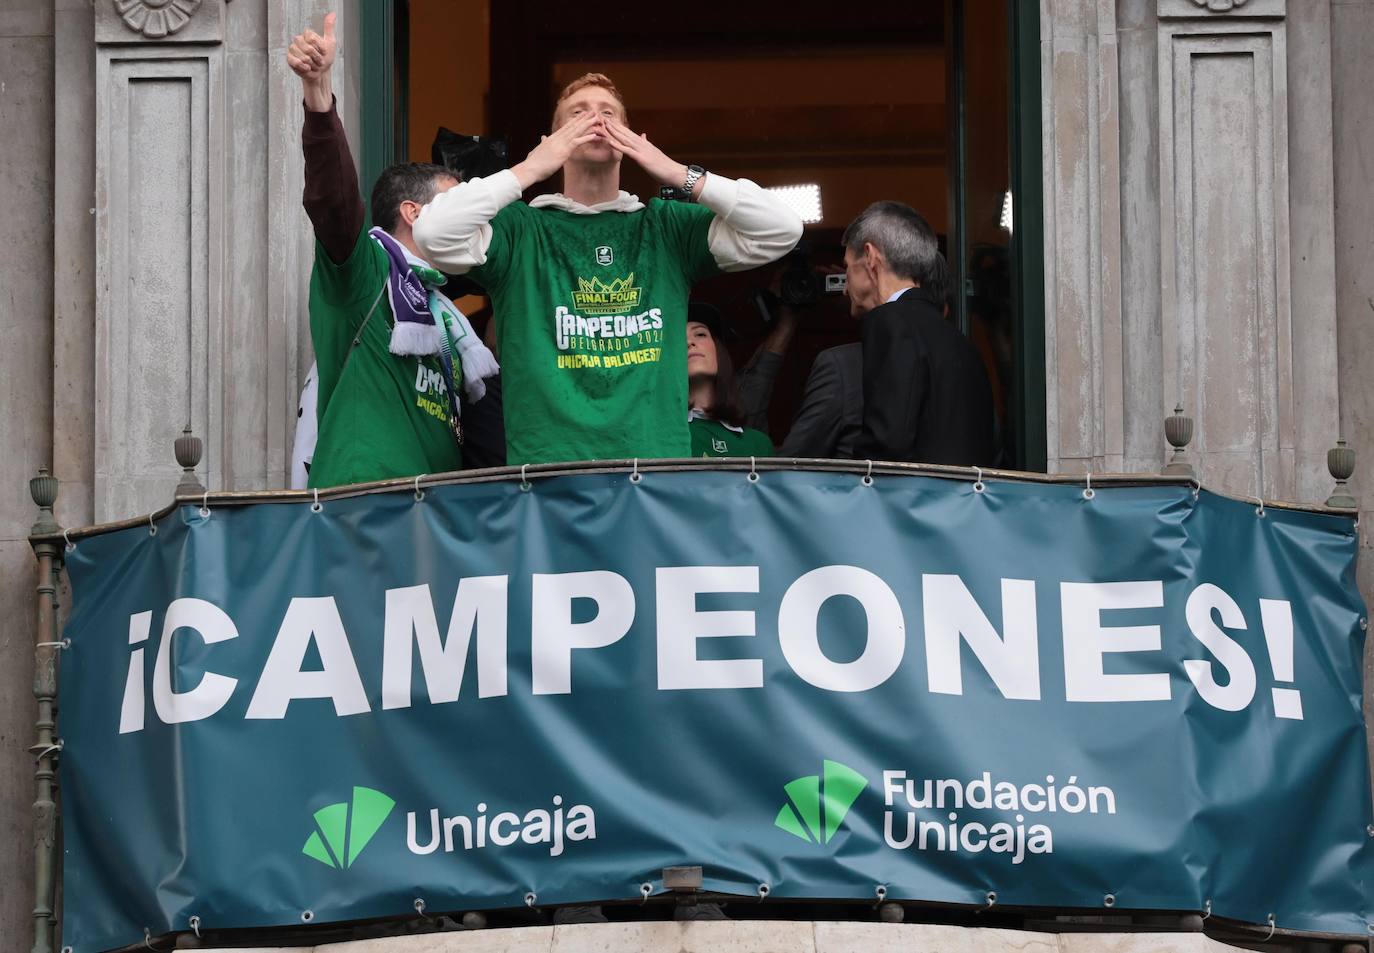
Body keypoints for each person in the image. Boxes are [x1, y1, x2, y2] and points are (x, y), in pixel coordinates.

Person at [412, 72, 803, 466]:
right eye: (578, 115)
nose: (595, 121)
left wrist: (674, 172)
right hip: (551, 474)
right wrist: (531, 168)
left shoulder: (666, 227)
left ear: (632, 140)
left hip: (654, 475)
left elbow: (781, 229)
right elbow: (432, 232)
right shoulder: (520, 230)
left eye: (608, 114)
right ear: (552, 142)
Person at [287, 12, 498, 489]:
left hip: (433, 528)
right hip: (362, 515)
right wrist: (319, 101)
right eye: (456, 204)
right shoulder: (366, 274)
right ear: (412, 212)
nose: (469, 220)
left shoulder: (446, 316)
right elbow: (334, 203)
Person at [840, 201, 993, 465]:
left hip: (912, 503)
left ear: (870, 259)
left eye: (847, 268)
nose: (845, 286)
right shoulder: (961, 341)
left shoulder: (890, 322)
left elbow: (885, 444)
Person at [777, 252, 952, 459]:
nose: (844, 288)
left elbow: (792, 466)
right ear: (945, 311)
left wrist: (860, 296)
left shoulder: (842, 368)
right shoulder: (966, 367)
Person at [686, 303, 773, 458]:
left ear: (718, 350)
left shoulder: (757, 444)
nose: (689, 342)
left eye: (700, 334)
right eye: (677, 339)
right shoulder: (656, 437)